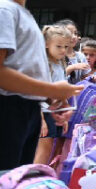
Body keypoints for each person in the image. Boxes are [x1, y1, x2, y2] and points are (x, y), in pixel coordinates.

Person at [0, 0, 83, 172]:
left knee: (14, 180)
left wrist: (48, 99)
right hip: (5, 110)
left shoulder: (21, 13)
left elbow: (22, 68)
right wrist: (50, 89)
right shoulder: (2, 10)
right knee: (2, 179)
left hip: (24, 109)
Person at [34, 25, 74, 166]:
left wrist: (64, 116)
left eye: (66, 46)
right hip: (43, 112)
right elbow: (36, 94)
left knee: (50, 150)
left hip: (55, 113)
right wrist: (42, 120)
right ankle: (33, 177)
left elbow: (61, 94)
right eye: (59, 46)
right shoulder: (43, 65)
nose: (63, 50)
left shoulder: (61, 64)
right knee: (43, 151)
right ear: (46, 44)